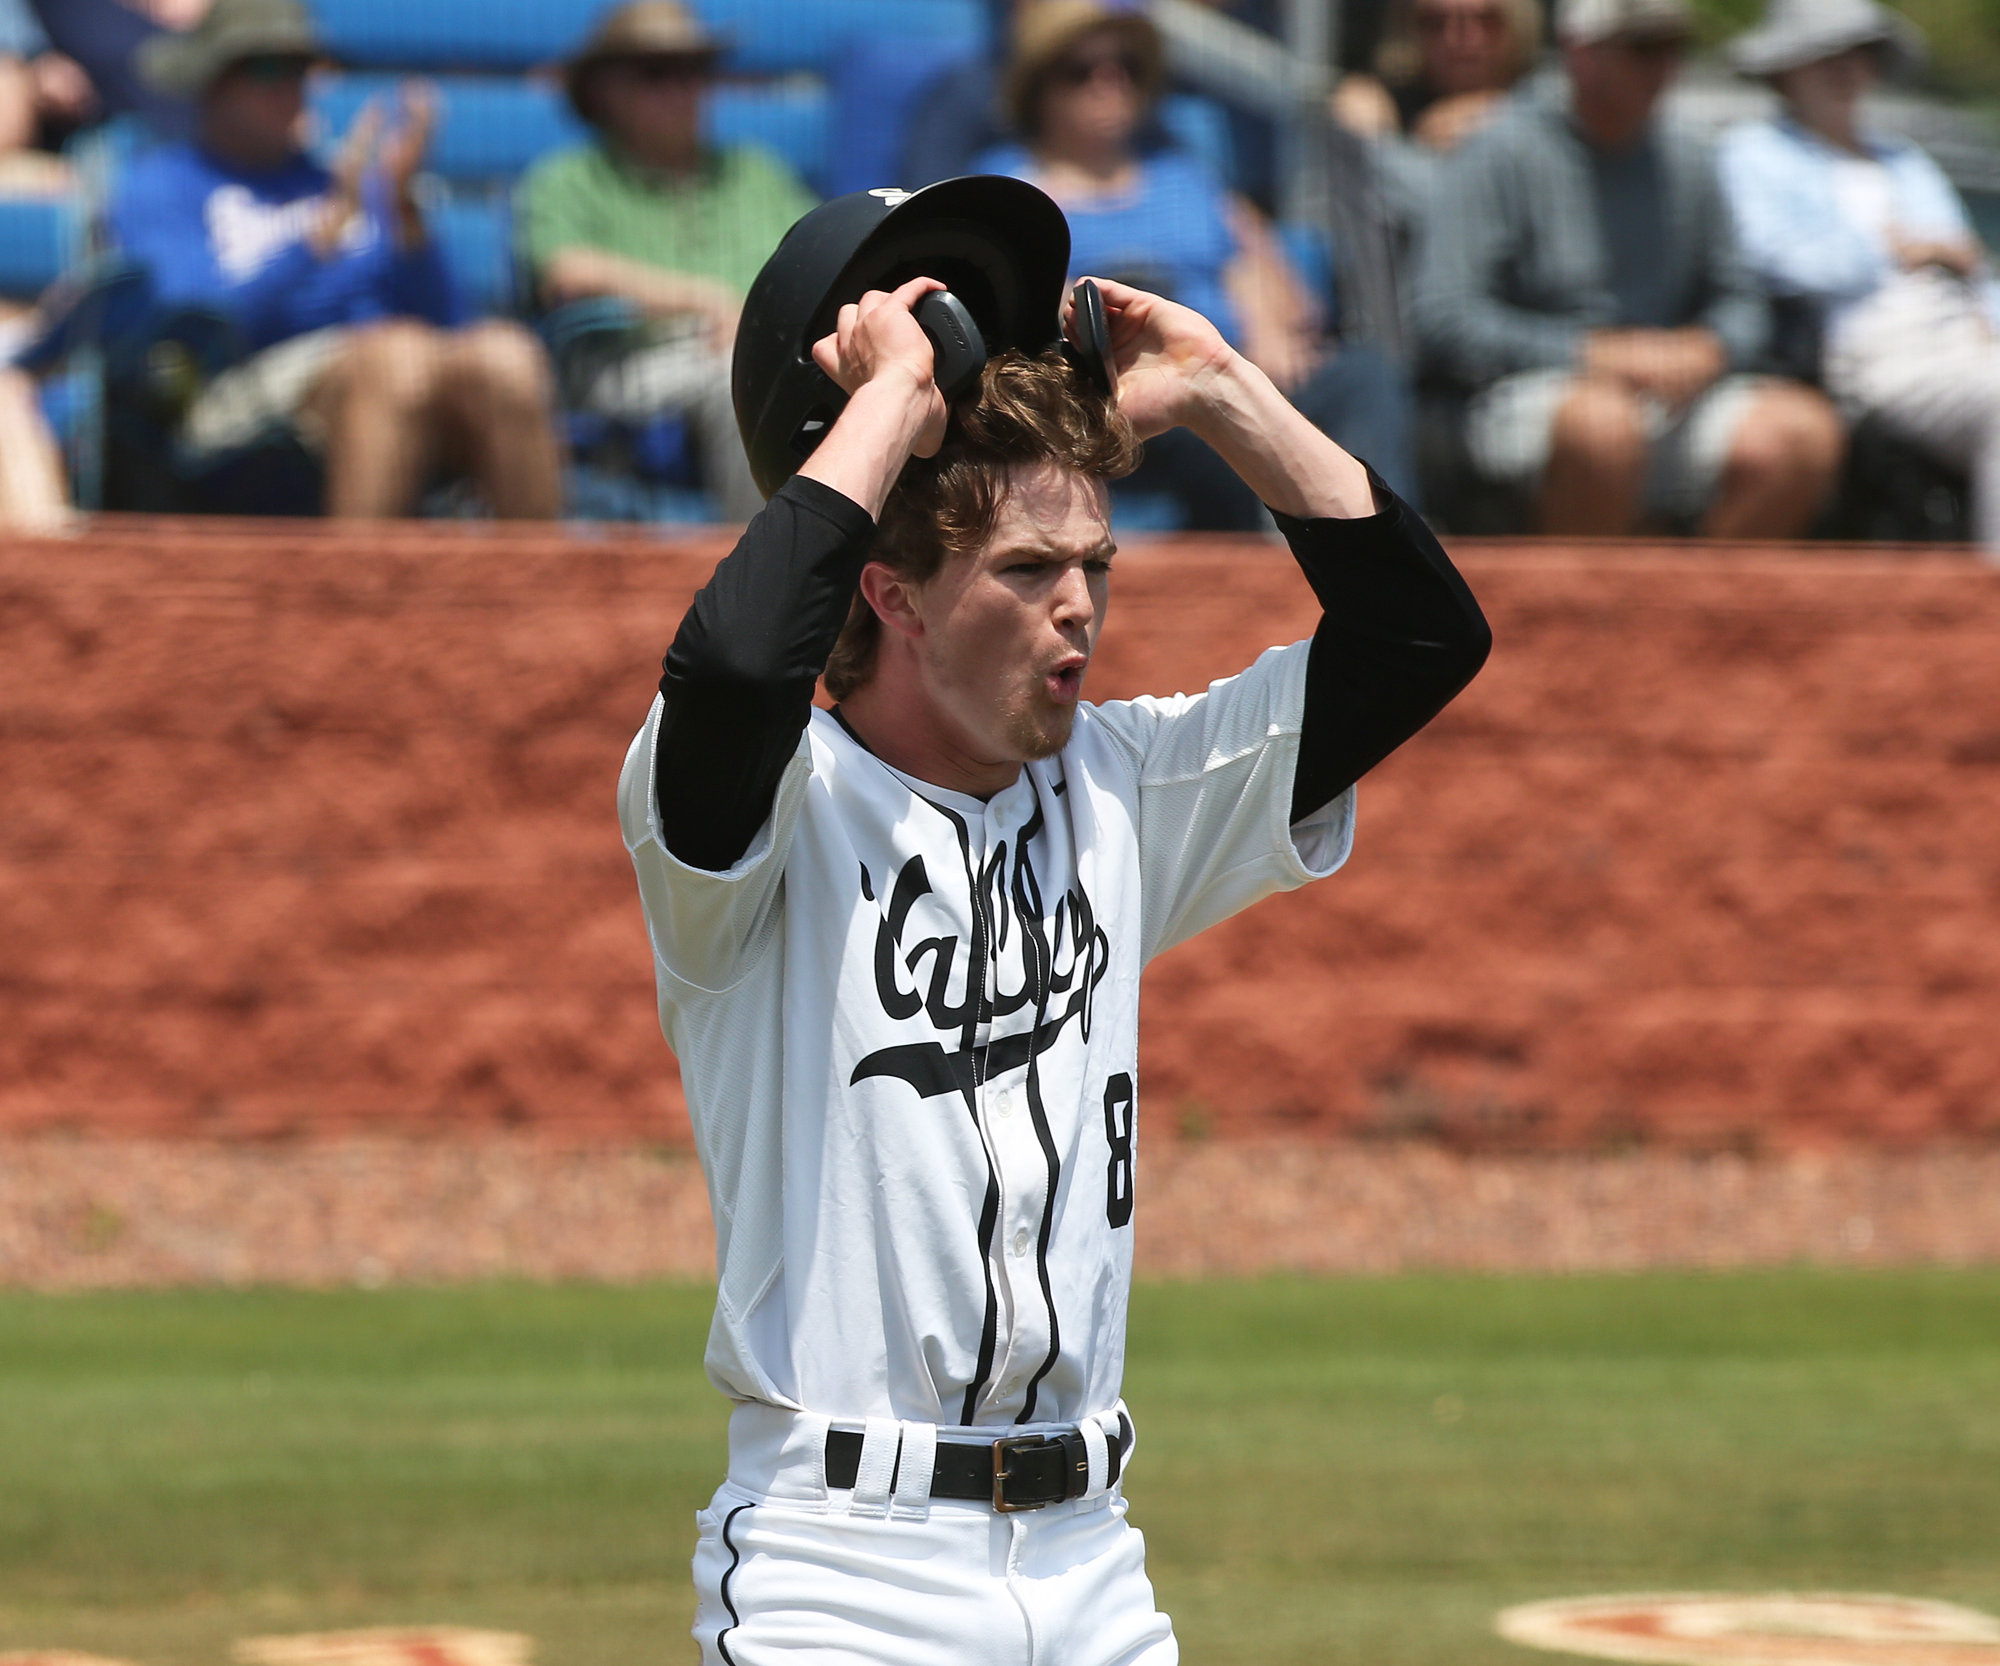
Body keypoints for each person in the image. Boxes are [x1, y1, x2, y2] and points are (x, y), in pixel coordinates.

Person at [619, 176, 1490, 1666]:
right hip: (844, 1571)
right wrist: (892, 403)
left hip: (1095, 1562)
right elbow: (728, 669)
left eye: (1093, 566)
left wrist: (1219, 387)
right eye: (1026, 572)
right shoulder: (762, 815)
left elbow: (1422, 638)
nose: (1078, 610)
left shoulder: (1121, 785)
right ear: (886, 593)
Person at [108, 0, 563, 519]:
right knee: (394, 358)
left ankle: (543, 593)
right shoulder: (163, 183)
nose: (292, 89)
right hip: (233, 391)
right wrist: (309, 249)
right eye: (267, 69)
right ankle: (358, 594)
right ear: (212, 81)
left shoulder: (343, 182)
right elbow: (188, 326)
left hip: (396, 365)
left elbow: (448, 320)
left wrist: (405, 212)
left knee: (506, 356)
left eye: (302, 70)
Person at [976, 0, 1419, 526]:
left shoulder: (1185, 174)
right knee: (1199, 415)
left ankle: (1391, 547)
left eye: (1127, 67)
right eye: (1082, 70)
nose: (1109, 81)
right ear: (1039, 87)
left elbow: (1267, 271)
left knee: (1364, 377)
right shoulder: (1009, 188)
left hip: (1232, 367)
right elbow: (1014, 301)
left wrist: (1270, 329)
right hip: (1111, 392)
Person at [1412, 0, 1845, 536]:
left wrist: (1710, 347)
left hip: (1671, 391)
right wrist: (1589, 353)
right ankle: (1586, 616)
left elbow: (1741, 298)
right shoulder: (1498, 150)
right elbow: (1445, 316)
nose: (1661, 66)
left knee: (1803, 433)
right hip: (1530, 388)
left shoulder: (1691, 157)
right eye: (1642, 48)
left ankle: (1698, 613)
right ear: (1579, 53)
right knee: (1604, 429)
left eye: (1672, 47)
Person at [1718, 0, 2000, 558]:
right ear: (1784, 70)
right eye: (1824, 57)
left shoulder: (1906, 160)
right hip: (1870, 351)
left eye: (1856, 56)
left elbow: (1971, 266)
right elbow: (1776, 261)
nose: (1844, 71)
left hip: (1961, 338)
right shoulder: (1752, 154)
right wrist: (1896, 249)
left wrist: (1984, 314)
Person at [518, 0, 815, 522]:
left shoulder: (756, 173)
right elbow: (566, 271)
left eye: (695, 71)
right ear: (604, 91)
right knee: (736, 378)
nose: (682, 89)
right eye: (657, 72)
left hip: (769, 347)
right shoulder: (569, 178)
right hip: (626, 361)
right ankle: (761, 581)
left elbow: (823, 259)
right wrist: (700, 300)